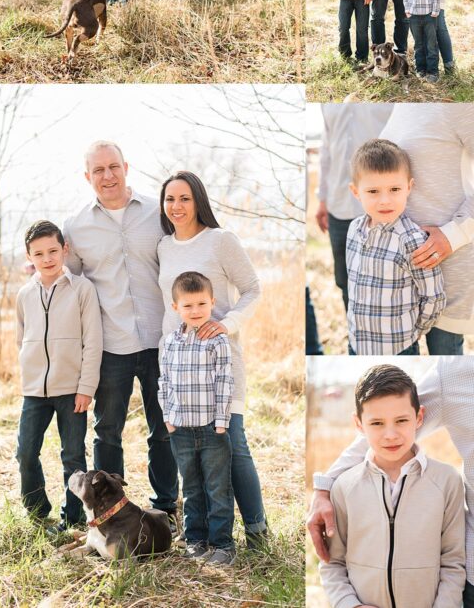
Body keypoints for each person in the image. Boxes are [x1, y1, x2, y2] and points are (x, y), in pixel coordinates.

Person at [63, 140, 179, 534]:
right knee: (107, 431)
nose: (107, 176)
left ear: (126, 167)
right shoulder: (75, 228)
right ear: (87, 177)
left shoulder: (157, 213)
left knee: (163, 427)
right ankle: (109, 513)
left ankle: (167, 506)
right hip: (111, 344)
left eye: (113, 167)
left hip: (160, 339)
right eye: (98, 170)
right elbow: (74, 282)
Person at [157, 171, 267, 547]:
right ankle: (202, 536)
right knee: (193, 463)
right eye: (170, 199)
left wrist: (227, 323)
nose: (177, 206)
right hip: (180, 368)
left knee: (234, 448)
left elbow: (253, 289)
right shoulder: (164, 247)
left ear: (198, 200)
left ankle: (256, 531)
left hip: (220, 361)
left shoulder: (221, 241)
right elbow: (169, 308)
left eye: (185, 198)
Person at [308, 358, 474, 607]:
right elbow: (333, 563)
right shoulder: (345, 487)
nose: (390, 434)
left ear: (418, 418)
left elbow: (452, 562)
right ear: (358, 424)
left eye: (401, 422)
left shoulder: (447, 482)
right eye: (376, 424)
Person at [14, 220, 103, 534]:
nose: (47, 258)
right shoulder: (25, 294)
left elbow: (93, 342)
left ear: (64, 249)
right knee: (25, 452)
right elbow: (21, 339)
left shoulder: (82, 289)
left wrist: (86, 387)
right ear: (30, 256)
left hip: (72, 390)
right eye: (39, 253)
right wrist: (28, 371)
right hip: (34, 391)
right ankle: (38, 514)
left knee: (73, 456)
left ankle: (74, 518)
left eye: (53, 250)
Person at [380, 104, 474, 354]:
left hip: (447, 265)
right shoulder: (401, 105)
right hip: (400, 273)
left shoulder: (458, 106)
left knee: (446, 360)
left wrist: (455, 233)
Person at [160, 271, 235, 565]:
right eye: (188, 306)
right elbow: (164, 381)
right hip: (180, 428)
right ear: (175, 307)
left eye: (202, 304)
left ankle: (222, 545)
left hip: (211, 428)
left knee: (217, 488)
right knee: (190, 488)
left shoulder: (217, 341)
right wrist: (168, 416)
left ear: (212, 303)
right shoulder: (170, 343)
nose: (196, 311)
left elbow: (225, 381)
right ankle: (195, 540)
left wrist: (221, 421)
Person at [345, 139, 445, 355]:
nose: (385, 200)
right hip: (357, 343)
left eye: (394, 189)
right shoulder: (354, 230)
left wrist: (415, 331)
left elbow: (433, 297)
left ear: (409, 187)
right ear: (356, 192)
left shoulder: (411, 240)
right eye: (373, 191)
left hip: (397, 346)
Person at [316, 104, 394, 315]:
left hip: (381, 210)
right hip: (338, 207)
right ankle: (356, 338)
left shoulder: (392, 101)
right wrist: (322, 198)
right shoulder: (328, 101)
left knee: (385, 283)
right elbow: (327, 149)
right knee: (345, 282)